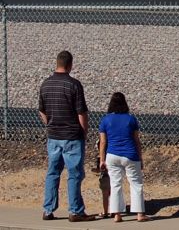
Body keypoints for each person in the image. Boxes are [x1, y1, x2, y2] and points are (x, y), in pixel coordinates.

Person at [38, 50, 95, 222]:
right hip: (71, 135)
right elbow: (81, 113)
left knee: (53, 172)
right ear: (70, 64)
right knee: (74, 174)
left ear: (57, 63)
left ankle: (48, 209)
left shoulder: (45, 84)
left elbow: (42, 110)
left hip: (53, 135)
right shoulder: (74, 85)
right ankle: (75, 210)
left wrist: (50, 123)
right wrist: (84, 132)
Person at [99, 92, 150, 223]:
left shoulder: (105, 120)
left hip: (112, 155)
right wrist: (140, 158)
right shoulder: (131, 119)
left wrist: (102, 160)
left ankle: (117, 214)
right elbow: (136, 140)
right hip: (130, 154)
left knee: (115, 184)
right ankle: (139, 214)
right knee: (136, 184)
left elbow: (103, 142)